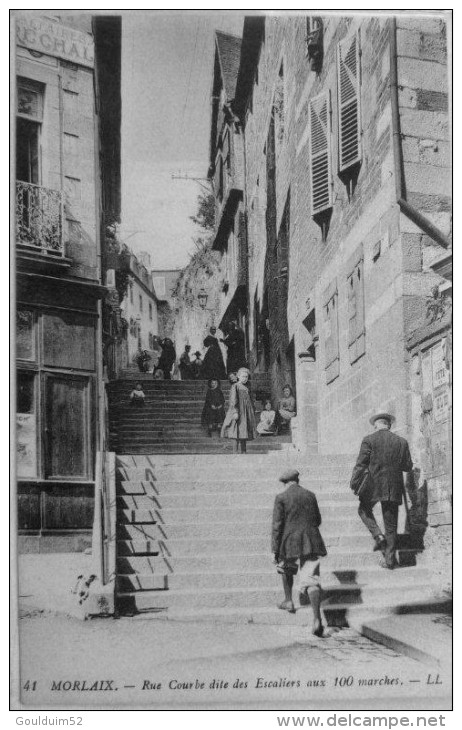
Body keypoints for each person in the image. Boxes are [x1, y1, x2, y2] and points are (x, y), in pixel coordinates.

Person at [350, 412, 413, 570]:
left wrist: (354, 482)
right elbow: (408, 466)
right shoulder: (402, 442)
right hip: (394, 487)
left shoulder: (369, 440)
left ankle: (378, 535)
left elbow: (361, 464)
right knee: (391, 525)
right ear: (389, 425)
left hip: (373, 486)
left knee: (363, 510)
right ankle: (390, 561)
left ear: (377, 425)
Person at [271, 468, 327, 637]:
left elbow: (277, 526)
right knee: (311, 579)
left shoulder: (281, 498)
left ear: (285, 483)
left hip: (290, 541)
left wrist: (275, 549)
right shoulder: (310, 495)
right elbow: (318, 520)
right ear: (297, 480)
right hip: (311, 540)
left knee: (285, 566)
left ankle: (289, 601)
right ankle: (317, 619)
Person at [221, 367, 256, 453]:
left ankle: (244, 451)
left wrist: (252, 410)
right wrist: (235, 411)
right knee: (235, 430)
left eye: (246, 377)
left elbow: (250, 399)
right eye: (243, 376)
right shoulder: (235, 386)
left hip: (246, 412)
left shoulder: (247, 386)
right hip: (237, 411)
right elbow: (233, 400)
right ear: (238, 377)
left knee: (244, 430)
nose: (245, 378)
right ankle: (235, 451)